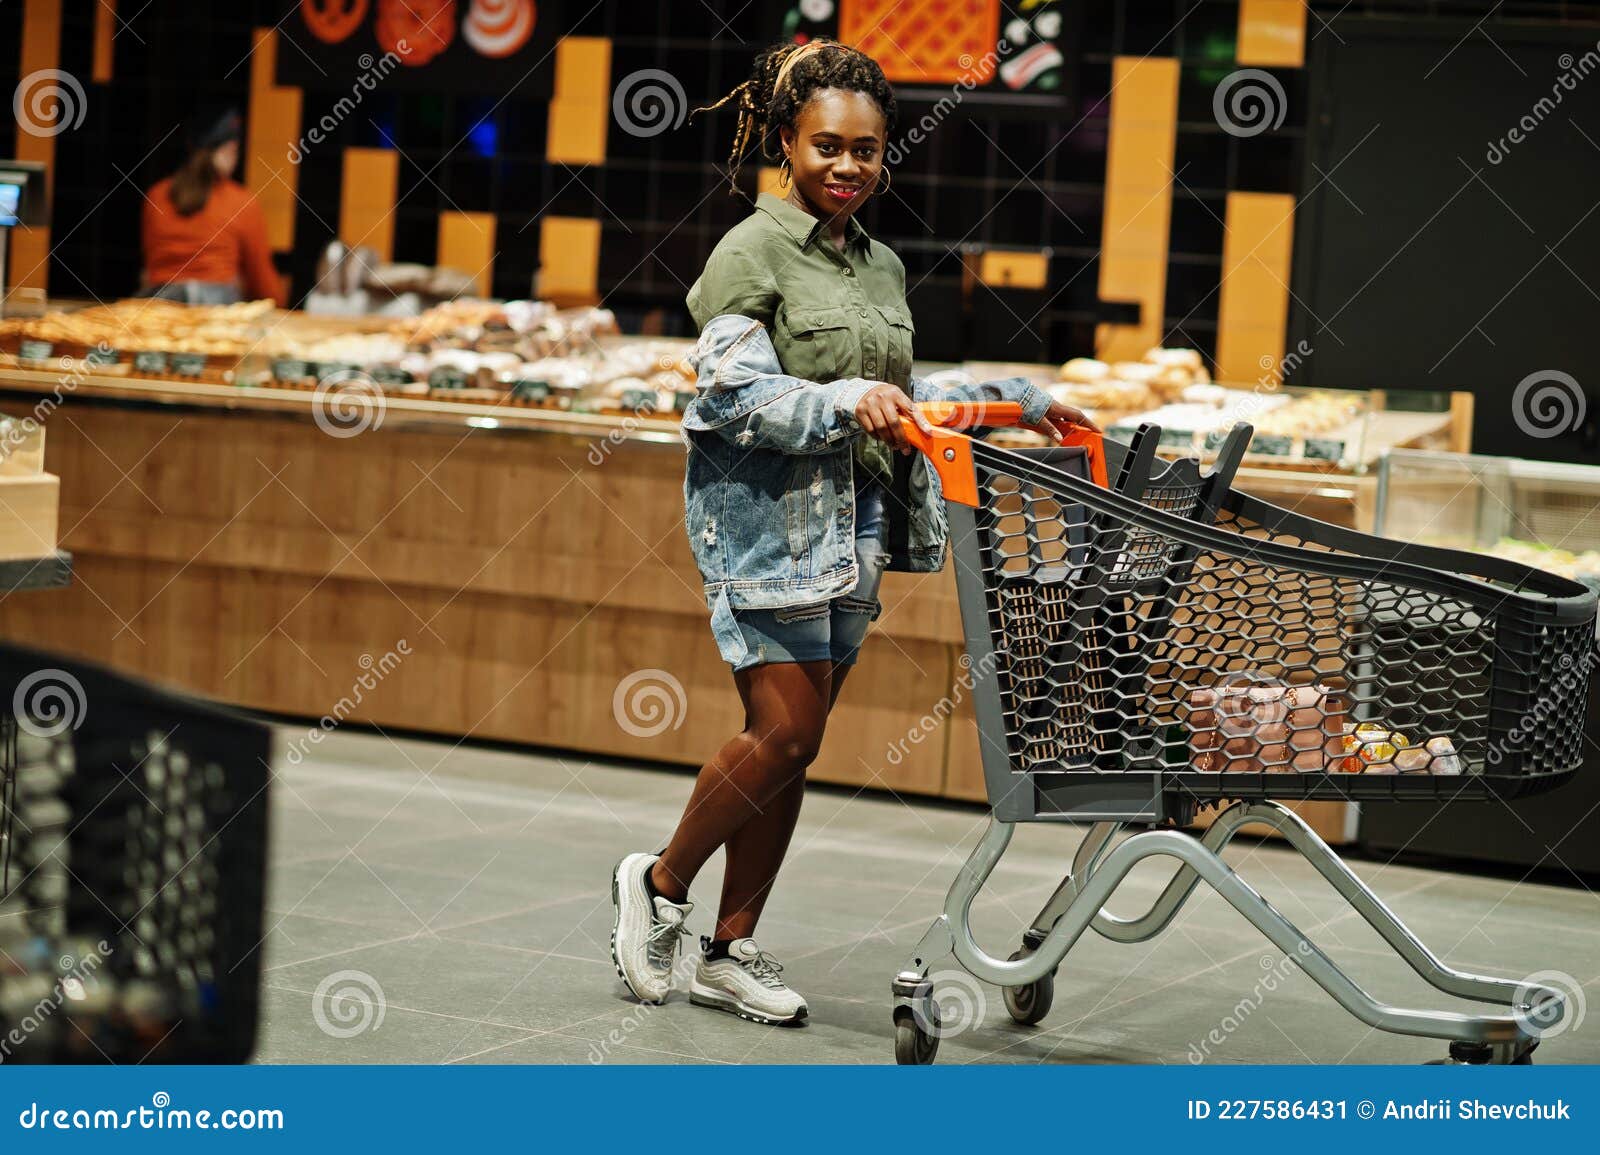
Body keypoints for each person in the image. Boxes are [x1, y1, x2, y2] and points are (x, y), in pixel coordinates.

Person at [610, 40, 1095, 1026]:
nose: (847, 167)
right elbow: (730, 392)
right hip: (769, 527)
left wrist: (1013, 398)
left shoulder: (877, 264)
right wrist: (840, 398)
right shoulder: (750, 250)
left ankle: (731, 947)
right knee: (781, 730)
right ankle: (658, 886)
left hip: (859, 527)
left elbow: (897, 396)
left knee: (797, 746)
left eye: (866, 151)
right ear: (786, 140)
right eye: (827, 146)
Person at [141, 107, 286, 306]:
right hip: (217, 311)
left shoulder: (156, 195)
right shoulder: (242, 201)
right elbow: (262, 281)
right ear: (229, 150)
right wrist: (278, 302)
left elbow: (150, 268)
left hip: (158, 308)